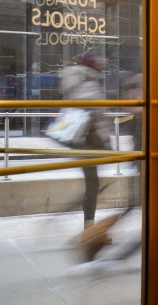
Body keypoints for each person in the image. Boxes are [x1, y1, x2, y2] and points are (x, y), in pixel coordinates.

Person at [60, 50, 112, 245]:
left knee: (93, 184)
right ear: (92, 65)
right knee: (93, 185)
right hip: (90, 143)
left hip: (80, 143)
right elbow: (97, 116)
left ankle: (88, 228)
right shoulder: (89, 83)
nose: (102, 67)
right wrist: (107, 143)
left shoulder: (73, 81)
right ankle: (89, 231)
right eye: (99, 64)